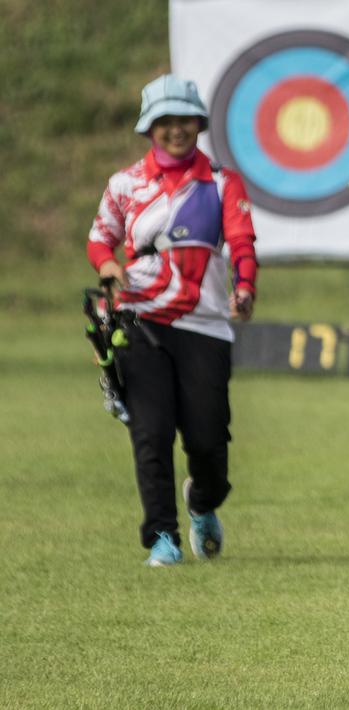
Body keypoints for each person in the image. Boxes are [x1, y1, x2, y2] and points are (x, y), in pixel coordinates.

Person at [87, 74, 258, 567]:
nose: (176, 130)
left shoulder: (223, 182)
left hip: (204, 324)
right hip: (138, 318)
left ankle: (202, 502)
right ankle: (162, 535)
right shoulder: (125, 184)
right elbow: (101, 238)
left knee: (208, 441)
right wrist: (108, 267)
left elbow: (242, 242)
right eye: (164, 121)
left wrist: (244, 287)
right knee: (151, 432)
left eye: (184, 119)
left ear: (198, 124)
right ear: (149, 128)